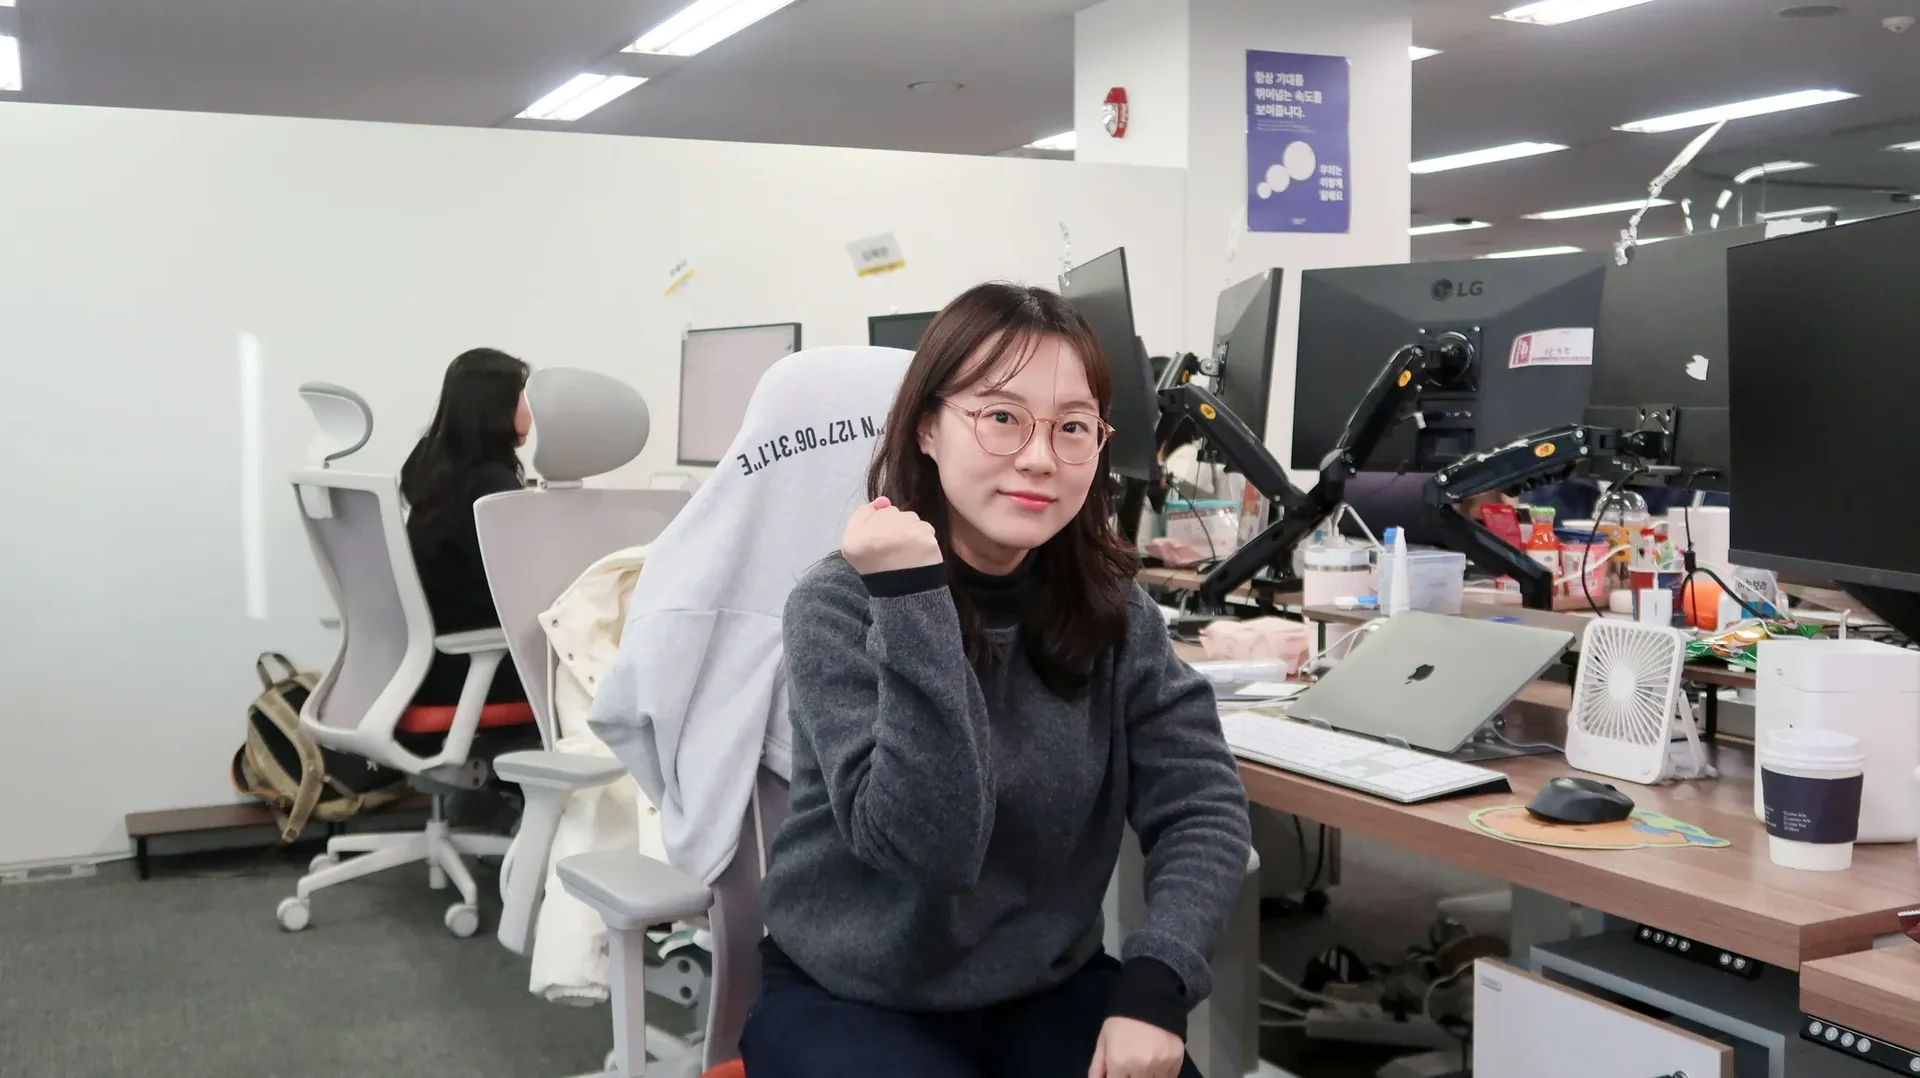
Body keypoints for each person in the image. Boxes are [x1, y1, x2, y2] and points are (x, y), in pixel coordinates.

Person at [742, 283, 1253, 1078]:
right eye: (1002, 417)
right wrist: (912, 599)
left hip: (1044, 988)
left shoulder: (1116, 613)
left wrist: (1158, 981)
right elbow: (931, 851)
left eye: (1072, 427)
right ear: (928, 428)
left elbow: (1202, 803)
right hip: (851, 994)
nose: (1040, 458)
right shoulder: (839, 608)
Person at [400, 347, 532, 708]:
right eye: (523, 396)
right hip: (474, 667)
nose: (530, 409)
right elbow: (518, 593)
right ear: (498, 406)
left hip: (427, 667)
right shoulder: (492, 486)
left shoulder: (433, 470)